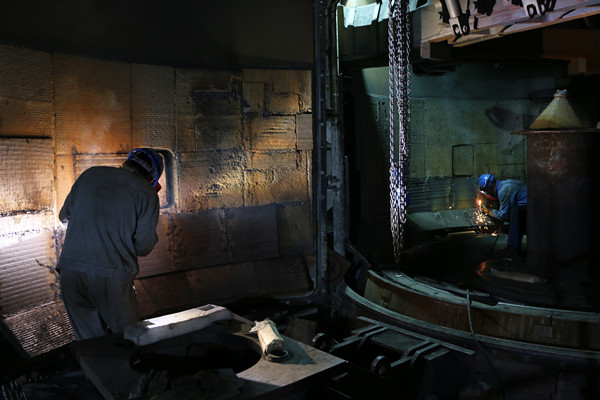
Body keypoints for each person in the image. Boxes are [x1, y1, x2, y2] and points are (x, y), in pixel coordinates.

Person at [57, 148, 164, 340]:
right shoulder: (147, 192)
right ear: (152, 178)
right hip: (111, 275)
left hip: (70, 270)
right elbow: (143, 247)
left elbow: (64, 217)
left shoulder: (90, 174)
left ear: (127, 162)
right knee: (129, 338)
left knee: (90, 344)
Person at [478, 173, 528, 259]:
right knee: (516, 212)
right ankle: (515, 247)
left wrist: (490, 212)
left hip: (536, 208)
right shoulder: (505, 184)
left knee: (515, 212)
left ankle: (513, 249)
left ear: (489, 188)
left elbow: (504, 215)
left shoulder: (503, 191)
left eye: (487, 191)